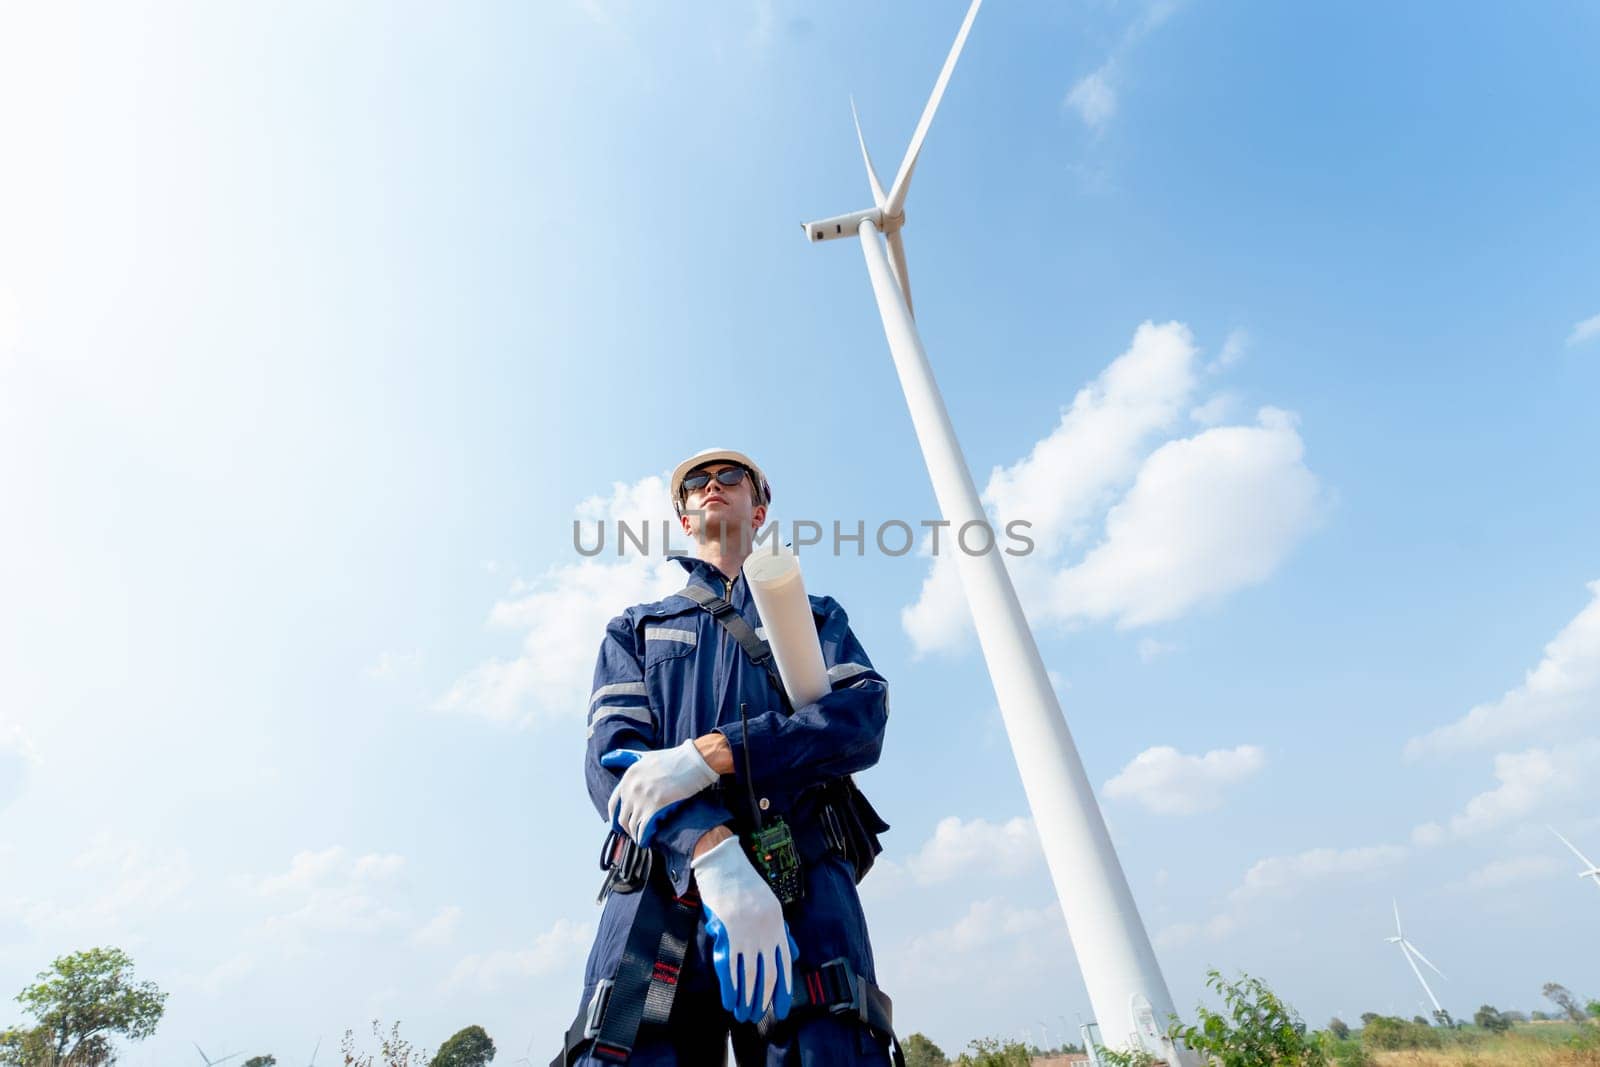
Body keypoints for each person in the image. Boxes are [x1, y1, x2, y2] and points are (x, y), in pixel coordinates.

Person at [554, 448, 900, 1067]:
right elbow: (611, 764)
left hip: (807, 876)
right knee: (629, 1044)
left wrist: (715, 753)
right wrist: (710, 851)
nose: (713, 485)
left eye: (731, 477)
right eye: (696, 482)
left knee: (832, 1046)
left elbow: (862, 720)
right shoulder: (636, 629)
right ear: (684, 517)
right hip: (661, 884)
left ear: (758, 509)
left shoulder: (816, 617)